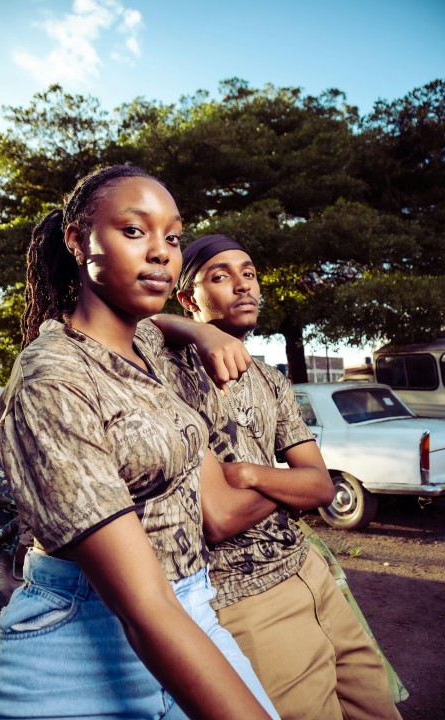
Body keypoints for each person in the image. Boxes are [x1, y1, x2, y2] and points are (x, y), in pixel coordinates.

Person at [0, 169, 280, 720]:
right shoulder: (51, 380)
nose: (162, 253)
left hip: (190, 609)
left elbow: (157, 325)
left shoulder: (142, 342)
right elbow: (142, 605)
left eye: (172, 237)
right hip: (75, 652)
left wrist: (200, 330)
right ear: (77, 240)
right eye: (135, 231)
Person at [144, 233, 404, 720]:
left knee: (378, 709)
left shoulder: (270, 380)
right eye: (219, 277)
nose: (242, 286)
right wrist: (200, 333)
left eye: (249, 273)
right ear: (188, 297)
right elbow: (219, 517)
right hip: (244, 600)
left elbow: (321, 486)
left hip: (312, 574)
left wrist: (245, 473)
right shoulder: (161, 372)